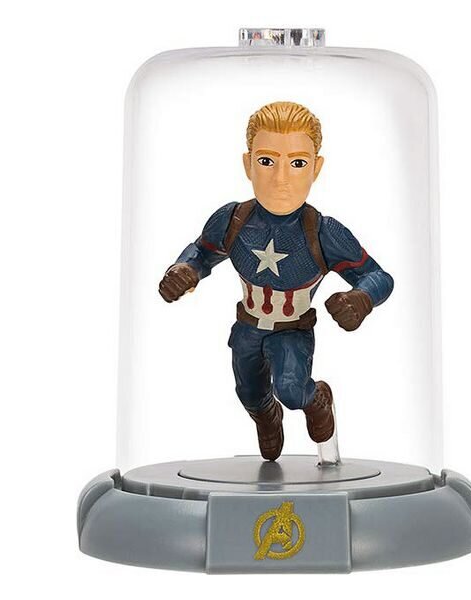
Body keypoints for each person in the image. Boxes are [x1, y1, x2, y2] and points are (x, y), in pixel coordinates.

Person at [159, 101, 393, 460]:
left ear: (316, 168)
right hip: (248, 327)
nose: (281, 179)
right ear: (247, 164)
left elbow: (377, 276)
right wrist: (184, 271)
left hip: (292, 329)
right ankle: (267, 417)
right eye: (267, 161)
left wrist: (361, 299)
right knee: (249, 393)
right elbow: (202, 252)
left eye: (297, 163)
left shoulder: (322, 231)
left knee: (291, 389)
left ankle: (317, 399)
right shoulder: (233, 220)